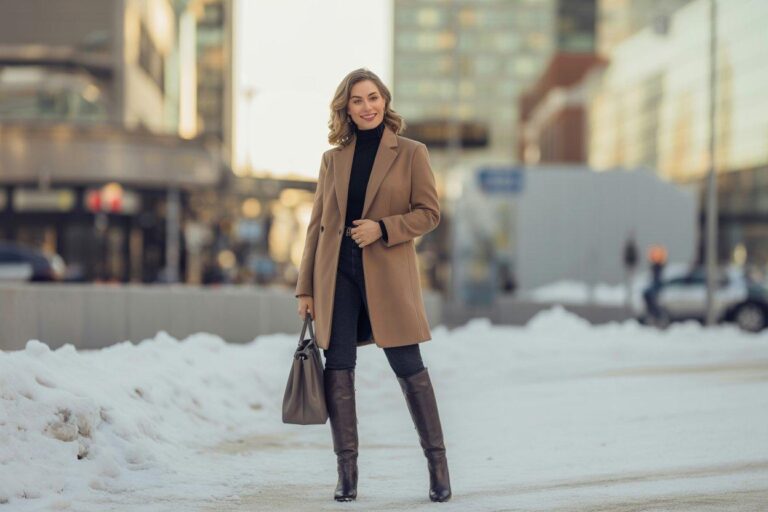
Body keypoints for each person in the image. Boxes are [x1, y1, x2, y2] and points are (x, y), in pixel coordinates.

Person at [294, 68, 451, 503]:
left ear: (385, 100)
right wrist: (304, 288)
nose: (367, 106)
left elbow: (429, 213)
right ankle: (347, 474)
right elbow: (315, 227)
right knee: (338, 367)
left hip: (386, 272)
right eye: (357, 100)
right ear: (346, 108)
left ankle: (438, 465)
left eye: (373, 97)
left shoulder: (411, 153)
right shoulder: (332, 159)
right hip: (335, 274)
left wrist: (382, 228)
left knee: (408, 365)